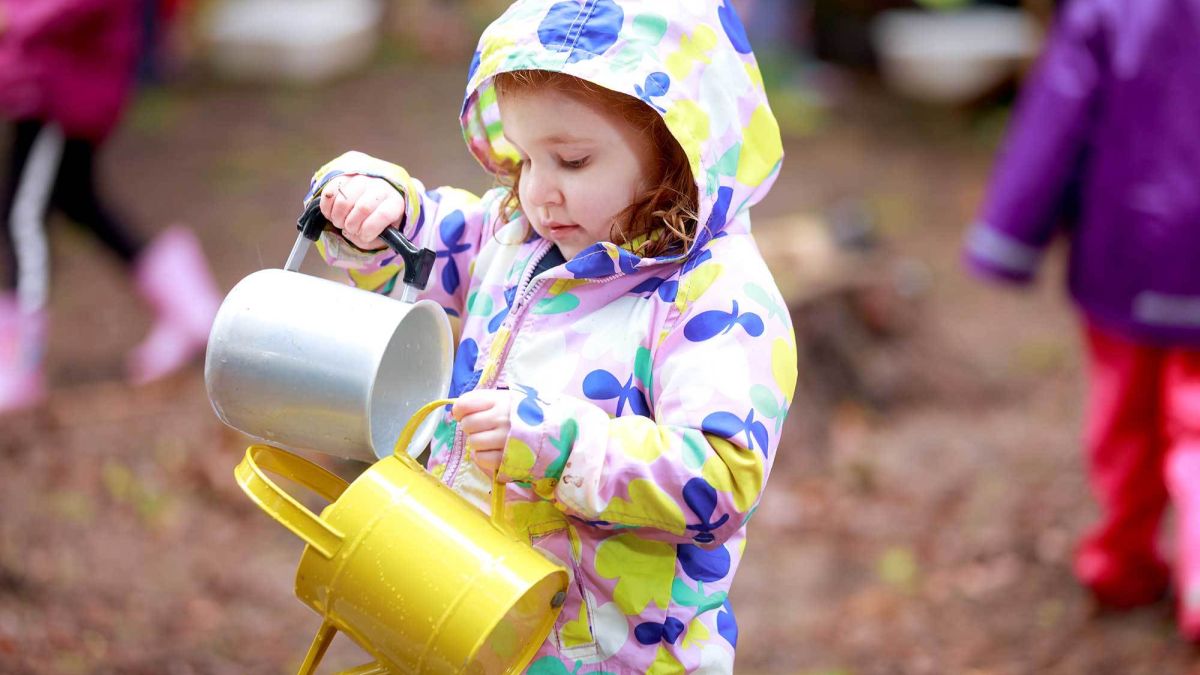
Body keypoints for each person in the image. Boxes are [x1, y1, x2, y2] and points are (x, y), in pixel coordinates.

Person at [306, 0, 796, 670]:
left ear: (679, 148)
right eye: (523, 157)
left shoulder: (717, 300)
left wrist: (558, 443)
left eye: (570, 160)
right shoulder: (520, 236)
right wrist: (380, 209)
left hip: (610, 649)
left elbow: (719, 477)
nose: (538, 192)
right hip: (472, 609)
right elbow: (434, 242)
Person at [963, 0, 1200, 640]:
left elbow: (1058, 115)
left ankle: (1122, 560)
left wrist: (1008, 238)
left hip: (1129, 250)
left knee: (1125, 418)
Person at [0, 0, 222, 413]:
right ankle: (189, 307)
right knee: (79, 202)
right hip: (61, 79)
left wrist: (17, 16)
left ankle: (19, 360)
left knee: (23, 216)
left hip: (59, 88)